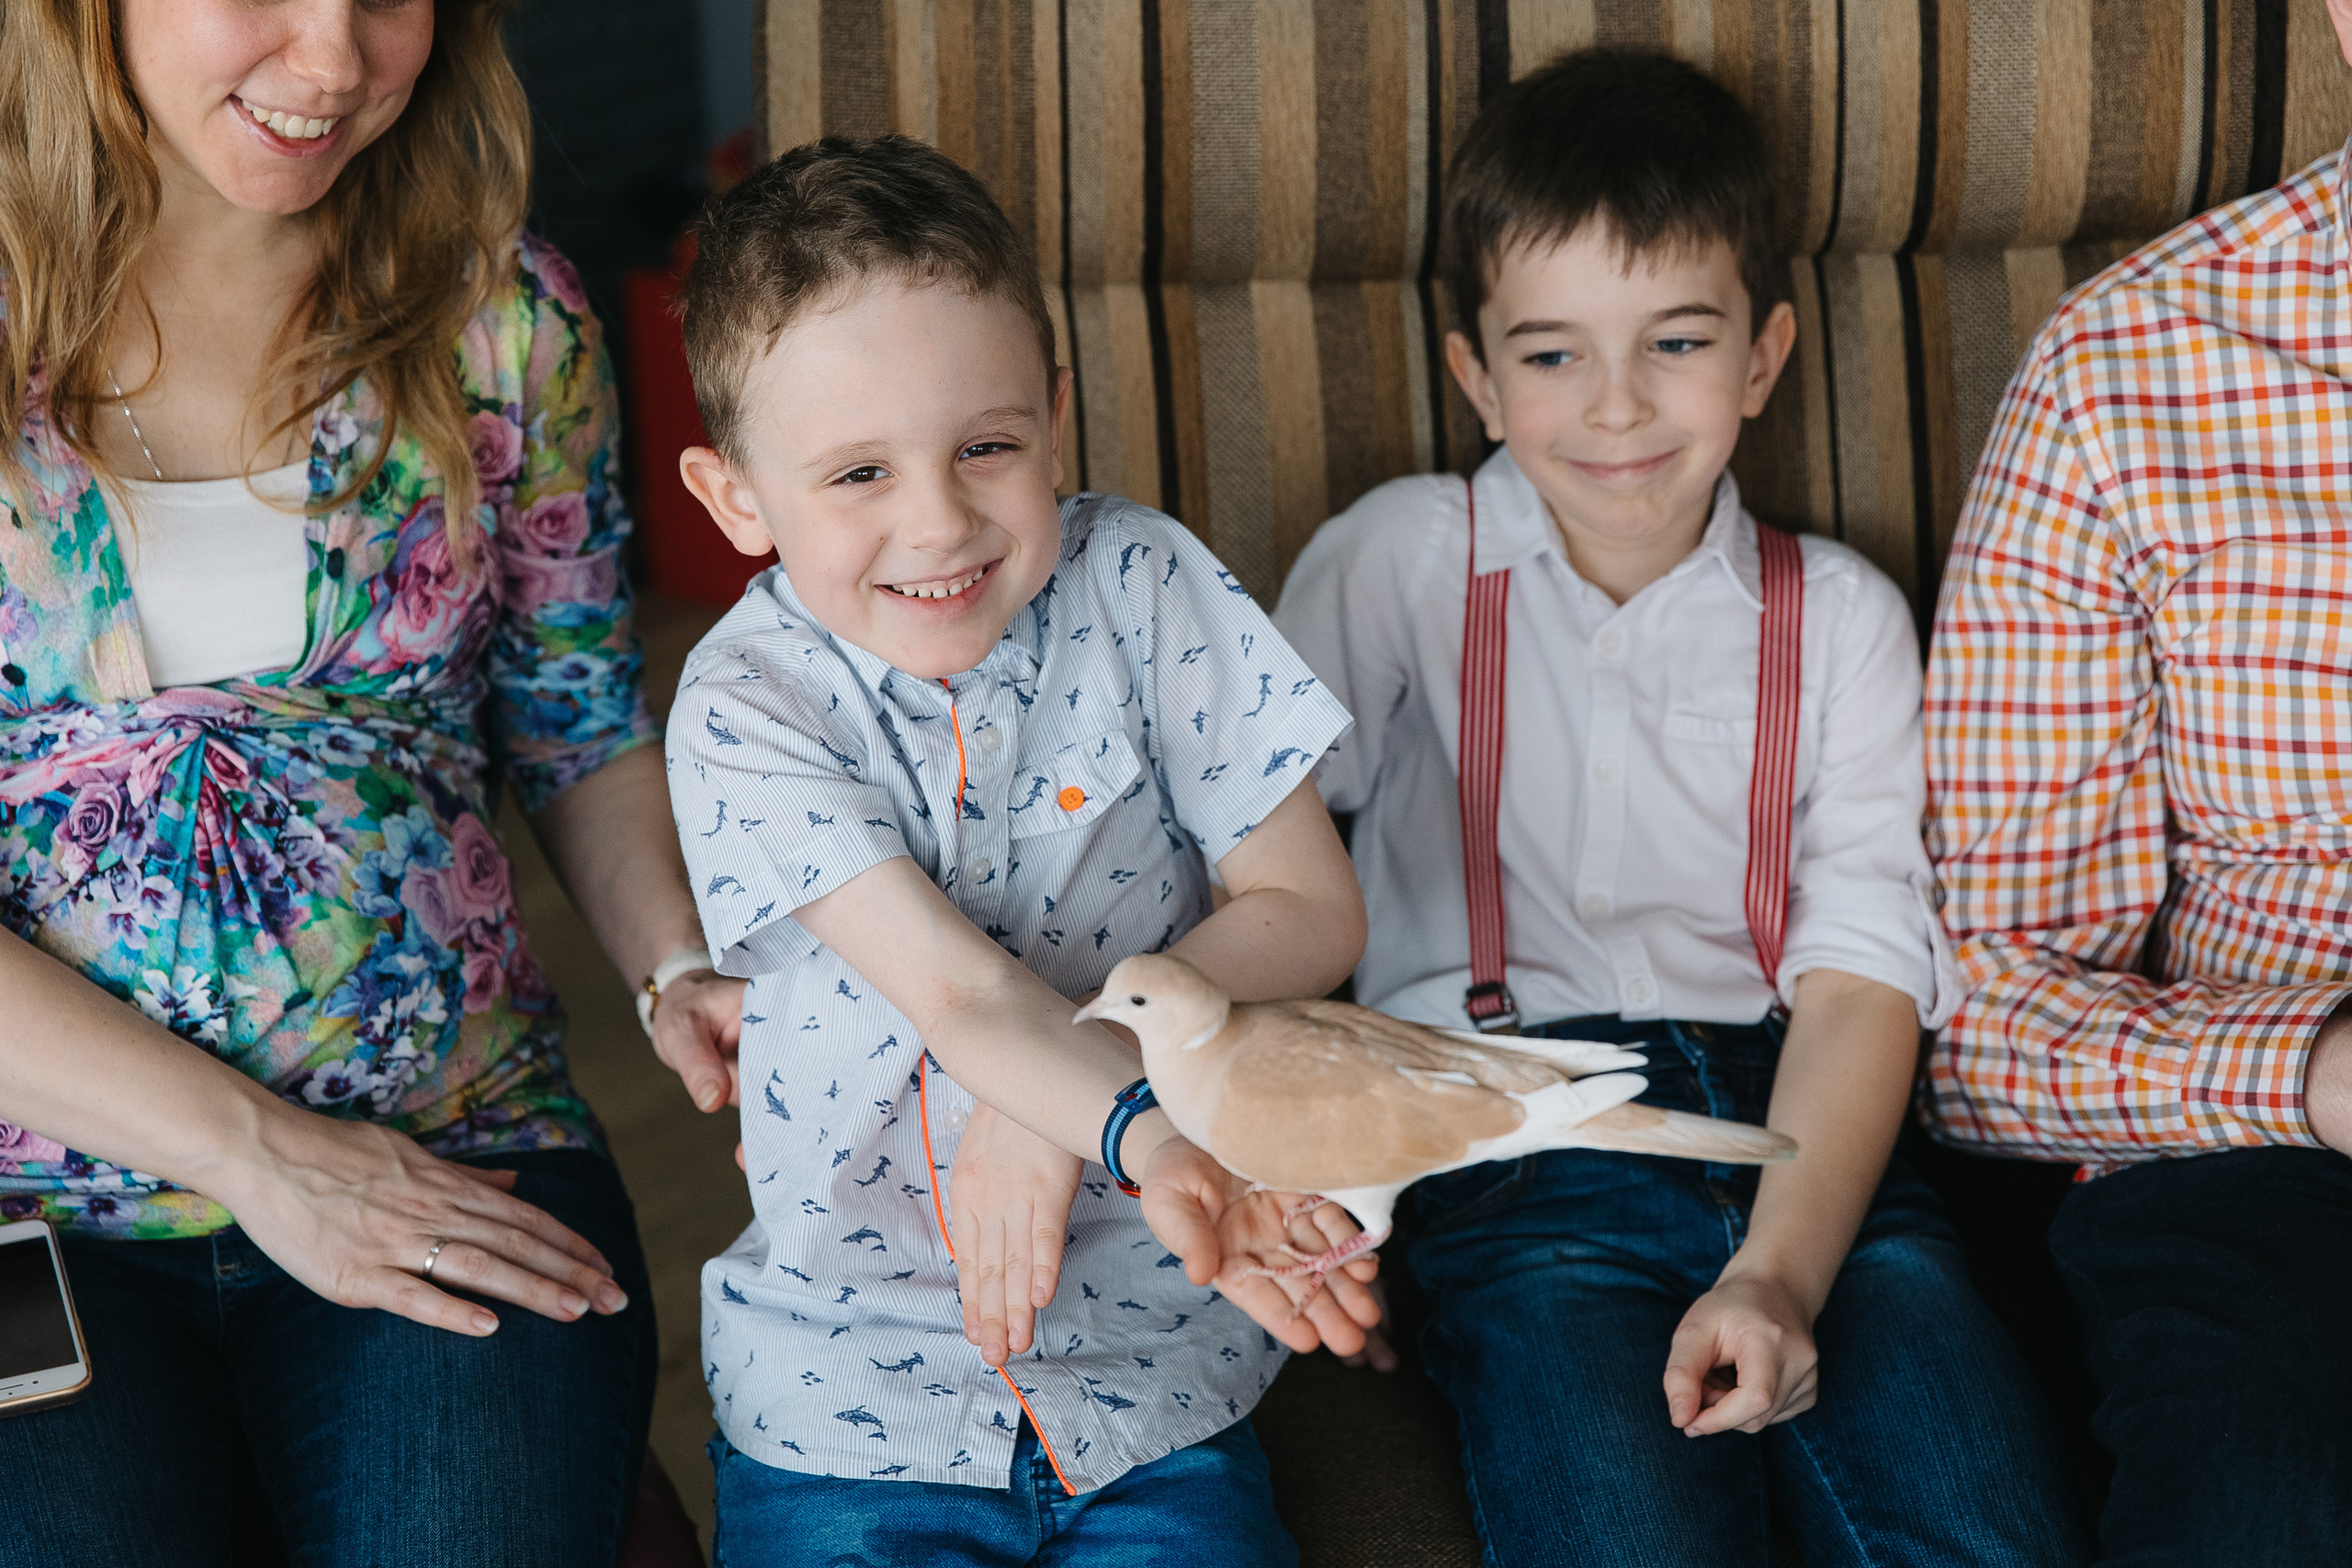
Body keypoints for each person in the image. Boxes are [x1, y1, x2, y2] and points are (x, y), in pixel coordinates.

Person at [1273, 50, 2085, 1568]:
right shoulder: (1397, 564)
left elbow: (1862, 978)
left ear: (1765, 357)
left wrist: (1779, 1275)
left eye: (1678, 341)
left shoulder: (1839, 617)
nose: (1619, 408)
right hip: (1509, 1152)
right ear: (1474, 373)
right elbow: (1256, 880)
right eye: (1553, 355)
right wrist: (1328, 1187)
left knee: (1984, 1533)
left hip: (1803, 1135)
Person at [0, 3, 740, 1562]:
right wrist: (268, 1163)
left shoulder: (500, 316)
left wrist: (682, 965)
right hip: (37, 1216)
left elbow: (579, 723)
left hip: (455, 1149)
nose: (335, 62)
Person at [663, 134, 1381, 1567]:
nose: (938, 519)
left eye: (986, 446)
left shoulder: (1145, 581)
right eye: (857, 472)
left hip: (1155, 1370)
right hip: (847, 1395)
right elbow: (964, 1001)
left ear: (1055, 419)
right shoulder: (745, 706)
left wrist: (1044, 1112)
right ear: (737, 497)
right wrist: (1122, 1120)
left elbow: (1311, 907)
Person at [1922, 3, 2352, 1561]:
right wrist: (2318, 1070)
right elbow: (1979, 1014)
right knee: (2272, 1502)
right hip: (2275, 1158)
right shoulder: (2135, 368)